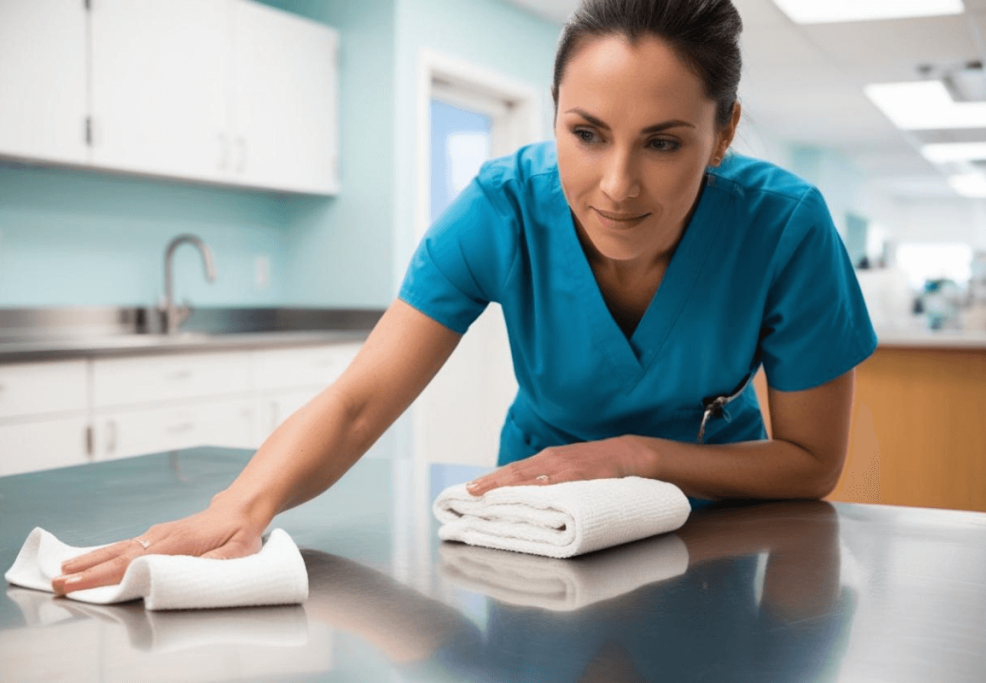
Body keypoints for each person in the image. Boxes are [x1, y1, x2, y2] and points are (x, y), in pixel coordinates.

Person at [52, 0, 875, 594]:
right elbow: (358, 403)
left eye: (663, 144)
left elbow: (811, 461)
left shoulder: (784, 226)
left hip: (719, 525)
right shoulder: (502, 209)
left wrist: (638, 453)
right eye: (586, 133)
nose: (618, 185)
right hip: (535, 523)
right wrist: (239, 508)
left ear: (724, 133)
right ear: (554, 115)